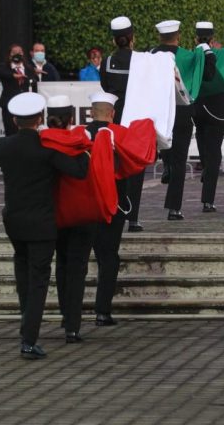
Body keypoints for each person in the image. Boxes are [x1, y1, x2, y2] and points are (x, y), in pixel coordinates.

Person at [0, 92, 89, 360]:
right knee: (38, 281)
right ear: (40, 119)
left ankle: (27, 322)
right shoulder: (47, 149)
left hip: (14, 221)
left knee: (23, 274)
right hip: (42, 224)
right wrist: (84, 148)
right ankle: (28, 340)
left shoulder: (3, 145)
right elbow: (78, 171)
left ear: (14, 119)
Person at [152, 19, 216, 220]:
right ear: (178, 36)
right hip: (181, 111)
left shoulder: (151, 56)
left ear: (159, 37)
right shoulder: (188, 57)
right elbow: (208, 74)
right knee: (181, 160)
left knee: (164, 144)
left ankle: (166, 161)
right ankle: (174, 208)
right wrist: (206, 51)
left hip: (159, 110)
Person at [45, 95, 95, 344]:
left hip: (52, 214)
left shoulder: (42, 144)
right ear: (72, 119)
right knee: (76, 269)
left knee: (61, 265)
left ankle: (66, 314)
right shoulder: (81, 143)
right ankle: (72, 326)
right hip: (81, 214)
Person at [100, 16, 146, 232]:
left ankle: (116, 210)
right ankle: (133, 218)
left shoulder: (107, 62)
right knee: (135, 168)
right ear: (131, 37)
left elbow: (105, 87)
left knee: (116, 168)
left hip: (115, 122)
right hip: (135, 122)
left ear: (114, 40)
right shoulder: (141, 60)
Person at [87, 91, 125, 326]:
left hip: (83, 205)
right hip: (112, 205)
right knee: (109, 257)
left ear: (91, 113)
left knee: (77, 258)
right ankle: (103, 311)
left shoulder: (79, 134)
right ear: (112, 113)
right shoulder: (119, 135)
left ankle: (70, 316)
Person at [193, 21, 224, 212]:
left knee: (203, 142)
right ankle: (207, 200)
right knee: (214, 154)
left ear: (195, 38)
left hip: (196, 107)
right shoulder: (221, 54)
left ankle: (205, 167)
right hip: (216, 110)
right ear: (212, 39)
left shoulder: (192, 55)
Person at [0, 44, 38, 136]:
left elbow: (34, 85)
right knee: (11, 133)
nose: (17, 55)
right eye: (14, 53)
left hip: (26, 107)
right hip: (10, 106)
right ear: (9, 55)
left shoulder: (29, 68)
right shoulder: (5, 67)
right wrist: (13, 75)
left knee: (27, 134)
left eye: (20, 52)